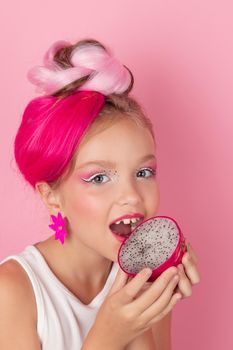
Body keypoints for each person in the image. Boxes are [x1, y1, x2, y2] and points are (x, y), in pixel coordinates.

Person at [0, 38, 201, 350]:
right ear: (51, 196)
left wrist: (150, 301)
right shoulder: (12, 292)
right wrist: (108, 337)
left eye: (144, 172)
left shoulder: (144, 281)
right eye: (98, 177)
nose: (131, 195)